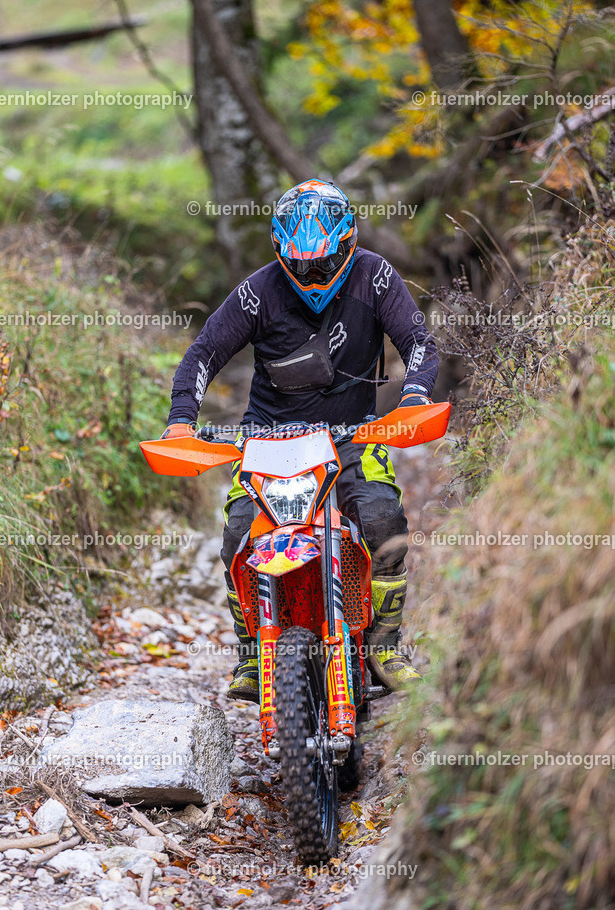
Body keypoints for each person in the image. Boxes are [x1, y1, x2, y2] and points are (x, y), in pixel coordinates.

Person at [162, 179, 438, 702]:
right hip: (269, 441)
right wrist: (181, 420)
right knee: (238, 537)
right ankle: (250, 653)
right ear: (279, 252)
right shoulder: (258, 291)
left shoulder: (375, 276)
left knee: (383, 522)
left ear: (348, 244)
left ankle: (384, 645)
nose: (313, 276)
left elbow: (419, 343)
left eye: (324, 263)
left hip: (353, 436)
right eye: (302, 265)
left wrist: (416, 398)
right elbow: (202, 354)